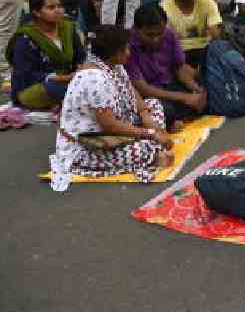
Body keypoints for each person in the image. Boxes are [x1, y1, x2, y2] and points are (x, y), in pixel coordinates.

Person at [51, 25, 173, 192]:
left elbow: (132, 92)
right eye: (127, 48)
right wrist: (151, 133)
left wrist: (146, 116)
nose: (129, 52)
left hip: (116, 127)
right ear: (116, 53)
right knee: (141, 150)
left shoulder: (113, 65)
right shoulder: (94, 79)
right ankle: (152, 151)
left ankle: (153, 146)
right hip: (86, 144)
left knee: (153, 104)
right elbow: (109, 126)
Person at [126, 5, 207, 130]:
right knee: (166, 110)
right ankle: (172, 121)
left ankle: (181, 115)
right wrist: (185, 97)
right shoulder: (128, 47)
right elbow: (143, 89)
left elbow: (179, 68)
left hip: (170, 83)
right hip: (148, 94)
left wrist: (195, 89)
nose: (155, 39)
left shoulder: (169, 34)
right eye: (149, 35)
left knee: (205, 87)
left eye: (159, 33)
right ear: (137, 30)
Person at [7, 0, 86, 109]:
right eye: (51, 7)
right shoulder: (25, 38)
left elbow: (80, 56)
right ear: (37, 12)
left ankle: (80, 99)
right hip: (36, 87)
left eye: (59, 6)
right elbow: (25, 74)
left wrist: (81, 68)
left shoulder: (68, 28)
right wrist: (61, 78)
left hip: (68, 80)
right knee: (54, 87)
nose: (58, 10)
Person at [160, 0, 223, 70]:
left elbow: (216, 36)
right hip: (177, 56)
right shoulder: (163, 8)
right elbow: (167, 43)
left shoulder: (208, 3)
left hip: (205, 53)